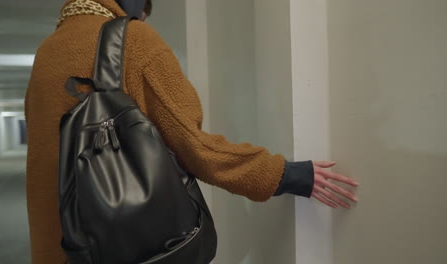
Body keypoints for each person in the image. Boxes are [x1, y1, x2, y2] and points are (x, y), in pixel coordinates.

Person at [24, 0, 358, 263]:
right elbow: (195, 149)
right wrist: (288, 174)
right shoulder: (134, 40)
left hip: (60, 247)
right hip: (124, 249)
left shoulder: (46, 52)